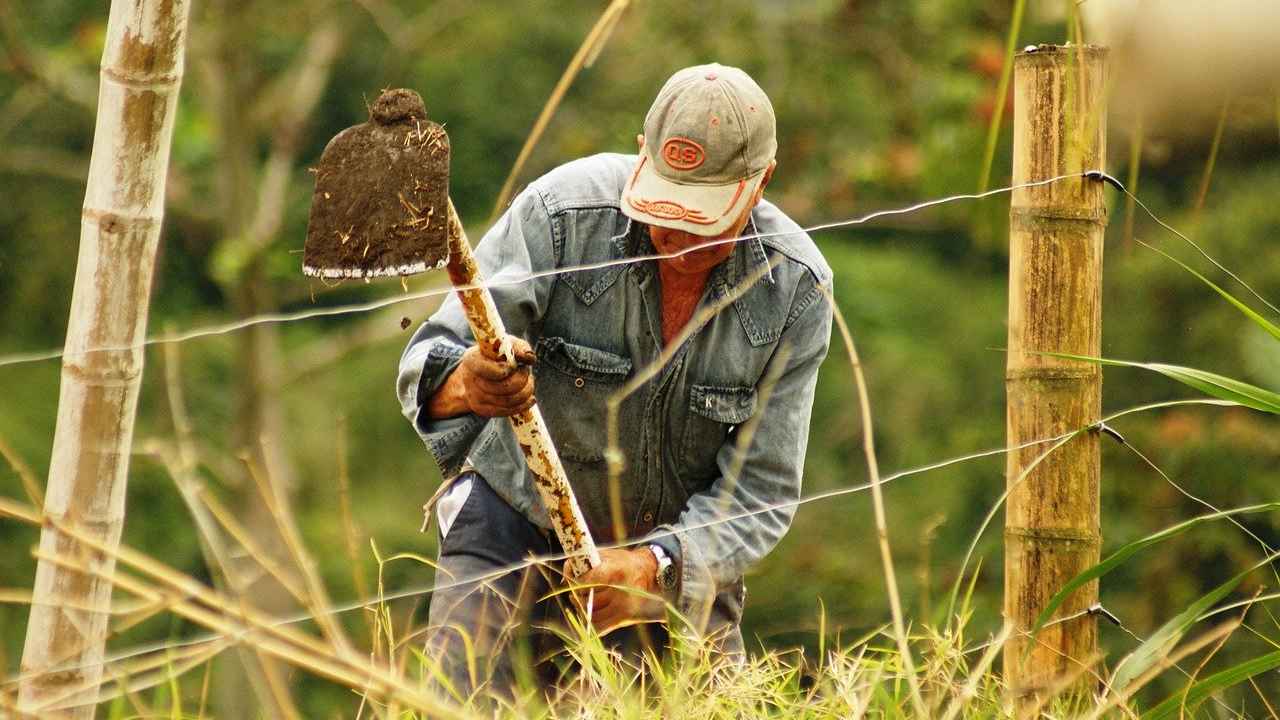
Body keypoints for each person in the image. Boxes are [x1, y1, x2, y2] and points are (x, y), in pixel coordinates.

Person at [397, 63, 832, 695]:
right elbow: (430, 361)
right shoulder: (561, 215)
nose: (677, 237)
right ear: (642, 156)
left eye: (703, 219)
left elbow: (761, 490)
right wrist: (468, 383)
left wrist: (654, 571)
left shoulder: (795, 289)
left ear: (761, 182)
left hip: (675, 564)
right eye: (665, 211)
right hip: (512, 529)